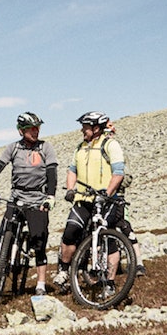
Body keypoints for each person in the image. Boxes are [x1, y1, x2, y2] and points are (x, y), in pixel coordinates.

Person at [58, 111, 144, 288]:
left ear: (96, 128)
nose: (82, 129)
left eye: (85, 127)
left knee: (108, 238)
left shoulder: (111, 145)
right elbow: (72, 170)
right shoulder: (80, 147)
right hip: (83, 198)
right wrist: (70, 189)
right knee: (70, 233)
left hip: (106, 200)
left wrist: (108, 193)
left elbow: (118, 173)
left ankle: (110, 282)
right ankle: (64, 270)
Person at [0, 111, 58, 295]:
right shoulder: (13, 148)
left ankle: (40, 283)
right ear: (21, 131)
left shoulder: (46, 148)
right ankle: (3, 260)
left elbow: (52, 174)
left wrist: (50, 196)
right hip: (16, 197)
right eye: (31, 128)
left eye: (37, 128)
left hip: (37, 199)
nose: (36, 131)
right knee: (4, 231)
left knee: (39, 240)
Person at [105, 120, 145, 276]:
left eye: (111, 134)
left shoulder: (119, 153)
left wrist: (116, 183)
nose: (108, 137)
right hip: (101, 198)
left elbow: (128, 177)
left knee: (125, 228)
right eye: (106, 134)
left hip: (117, 198)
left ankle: (138, 263)